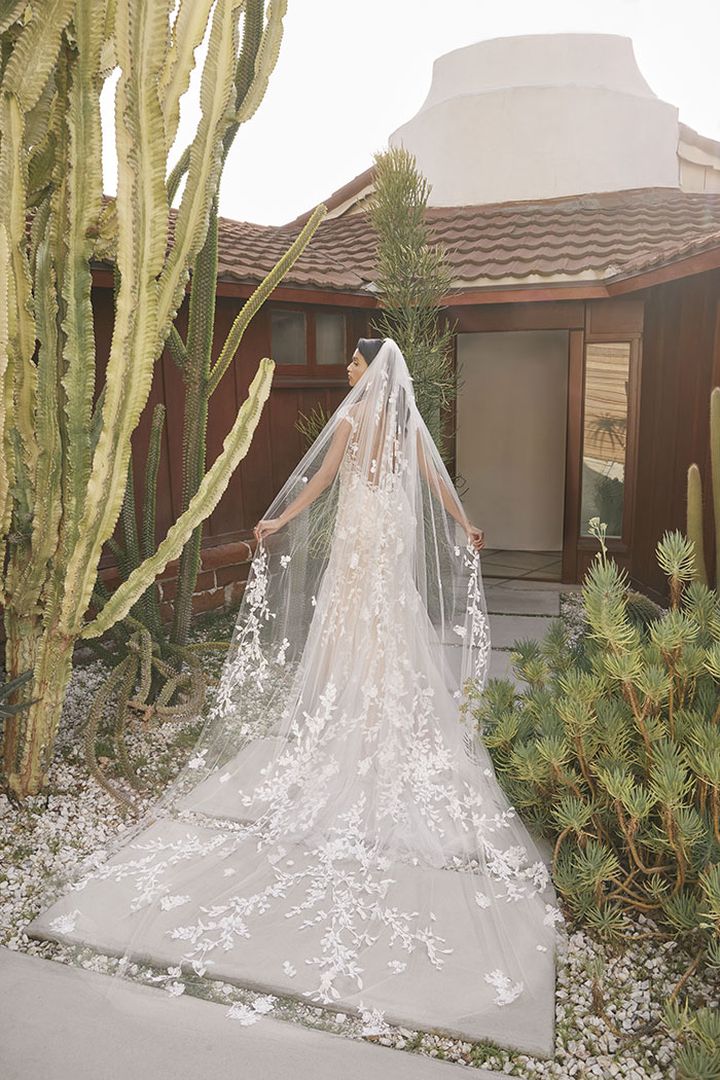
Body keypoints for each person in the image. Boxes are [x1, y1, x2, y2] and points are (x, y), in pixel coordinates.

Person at [28, 338, 559, 1049]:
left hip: (367, 537)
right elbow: (433, 484)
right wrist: (462, 525)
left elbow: (328, 484)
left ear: (374, 370)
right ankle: (373, 715)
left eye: (355, 362)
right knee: (380, 625)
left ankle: (363, 717)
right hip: (383, 537)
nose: (347, 369)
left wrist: (289, 517)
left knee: (362, 625)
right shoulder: (401, 424)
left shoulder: (356, 422)